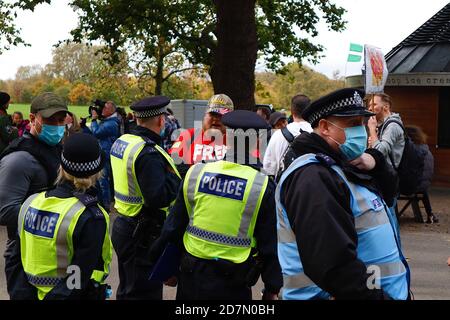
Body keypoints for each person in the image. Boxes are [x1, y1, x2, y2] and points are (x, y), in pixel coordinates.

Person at [276, 88, 409, 300]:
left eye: (363, 124)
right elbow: (334, 265)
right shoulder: (314, 177)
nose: (362, 131)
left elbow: (390, 194)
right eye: (353, 124)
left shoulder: (343, 164)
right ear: (325, 127)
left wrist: (376, 161)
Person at [150, 110, 283, 300]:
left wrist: (162, 266)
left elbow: (173, 227)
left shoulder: (196, 173)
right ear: (258, 142)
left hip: (192, 275)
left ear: (225, 138)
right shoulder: (262, 186)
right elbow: (269, 244)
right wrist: (272, 287)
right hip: (234, 281)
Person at [10, 133, 112, 300]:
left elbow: (15, 262)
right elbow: (77, 280)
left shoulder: (31, 203)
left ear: (62, 166)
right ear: (98, 170)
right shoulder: (91, 216)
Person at [110, 96, 181, 300]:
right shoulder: (148, 153)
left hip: (124, 225)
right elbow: (158, 198)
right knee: (143, 293)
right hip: (141, 233)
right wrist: (176, 178)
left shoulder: (124, 141)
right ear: (161, 120)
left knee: (128, 288)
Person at [0, 92, 68, 297]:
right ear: (32, 119)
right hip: (24, 253)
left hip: (54, 250)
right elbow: (5, 211)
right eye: (49, 120)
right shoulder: (19, 160)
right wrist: (57, 218)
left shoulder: (56, 149)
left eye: (61, 120)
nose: (56, 126)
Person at [170, 94, 233, 177]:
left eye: (221, 115)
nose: (216, 119)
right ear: (205, 115)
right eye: (212, 114)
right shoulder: (188, 136)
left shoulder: (237, 142)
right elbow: (172, 167)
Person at [263, 94, 312, 178]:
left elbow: (268, 167)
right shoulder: (319, 133)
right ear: (311, 110)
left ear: (292, 112)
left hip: (286, 186)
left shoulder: (277, 135)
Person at [84, 100, 121, 211]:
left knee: (103, 181)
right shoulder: (107, 121)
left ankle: (105, 206)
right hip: (102, 153)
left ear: (110, 110)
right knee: (100, 180)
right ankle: (101, 203)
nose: (102, 110)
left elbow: (97, 133)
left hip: (106, 155)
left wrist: (94, 119)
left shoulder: (112, 123)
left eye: (104, 108)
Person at [404, 125, 439, 224]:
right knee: (423, 189)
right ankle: (430, 213)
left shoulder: (412, 150)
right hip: (424, 186)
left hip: (413, 186)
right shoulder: (425, 149)